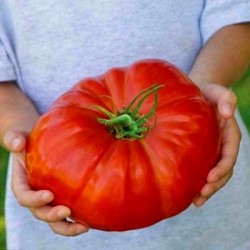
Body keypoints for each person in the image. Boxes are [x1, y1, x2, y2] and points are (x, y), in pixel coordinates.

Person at [0, 1, 250, 249]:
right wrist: (30, 144)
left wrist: (197, 96)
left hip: (214, 206)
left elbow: (238, 17)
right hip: (56, 208)